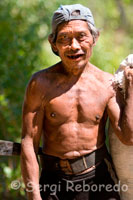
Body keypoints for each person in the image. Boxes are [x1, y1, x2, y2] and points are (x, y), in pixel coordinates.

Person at [21, 4, 133, 200]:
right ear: (53, 43)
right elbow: (29, 142)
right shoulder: (40, 84)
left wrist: (131, 91)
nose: (74, 46)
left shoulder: (107, 84)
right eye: (64, 38)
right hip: (53, 182)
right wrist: (34, 196)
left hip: (98, 180)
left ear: (94, 38)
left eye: (81, 36)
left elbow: (127, 137)